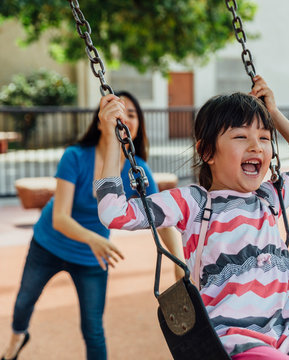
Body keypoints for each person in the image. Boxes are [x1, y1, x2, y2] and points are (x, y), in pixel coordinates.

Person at [94, 76, 289, 359]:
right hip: (232, 342)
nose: (256, 146)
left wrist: (274, 115)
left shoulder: (270, 197)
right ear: (207, 151)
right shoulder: (194, 203)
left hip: (283, 336)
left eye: (264, 137)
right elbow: (115, 213)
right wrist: (112, 141)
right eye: (241, 136)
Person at [1, 91, 181, 360]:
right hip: (49, 244)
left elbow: (163, 220)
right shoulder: (75, 156)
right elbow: (59, 217)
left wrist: (180, 265)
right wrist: (95, 239)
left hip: (90, 258)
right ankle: (16, 341)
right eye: (119, 110)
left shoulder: (137, 170)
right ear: (100, 121)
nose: (125, 117)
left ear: (138, 125)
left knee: (93, 329)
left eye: (132, 114)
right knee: (24, 302)